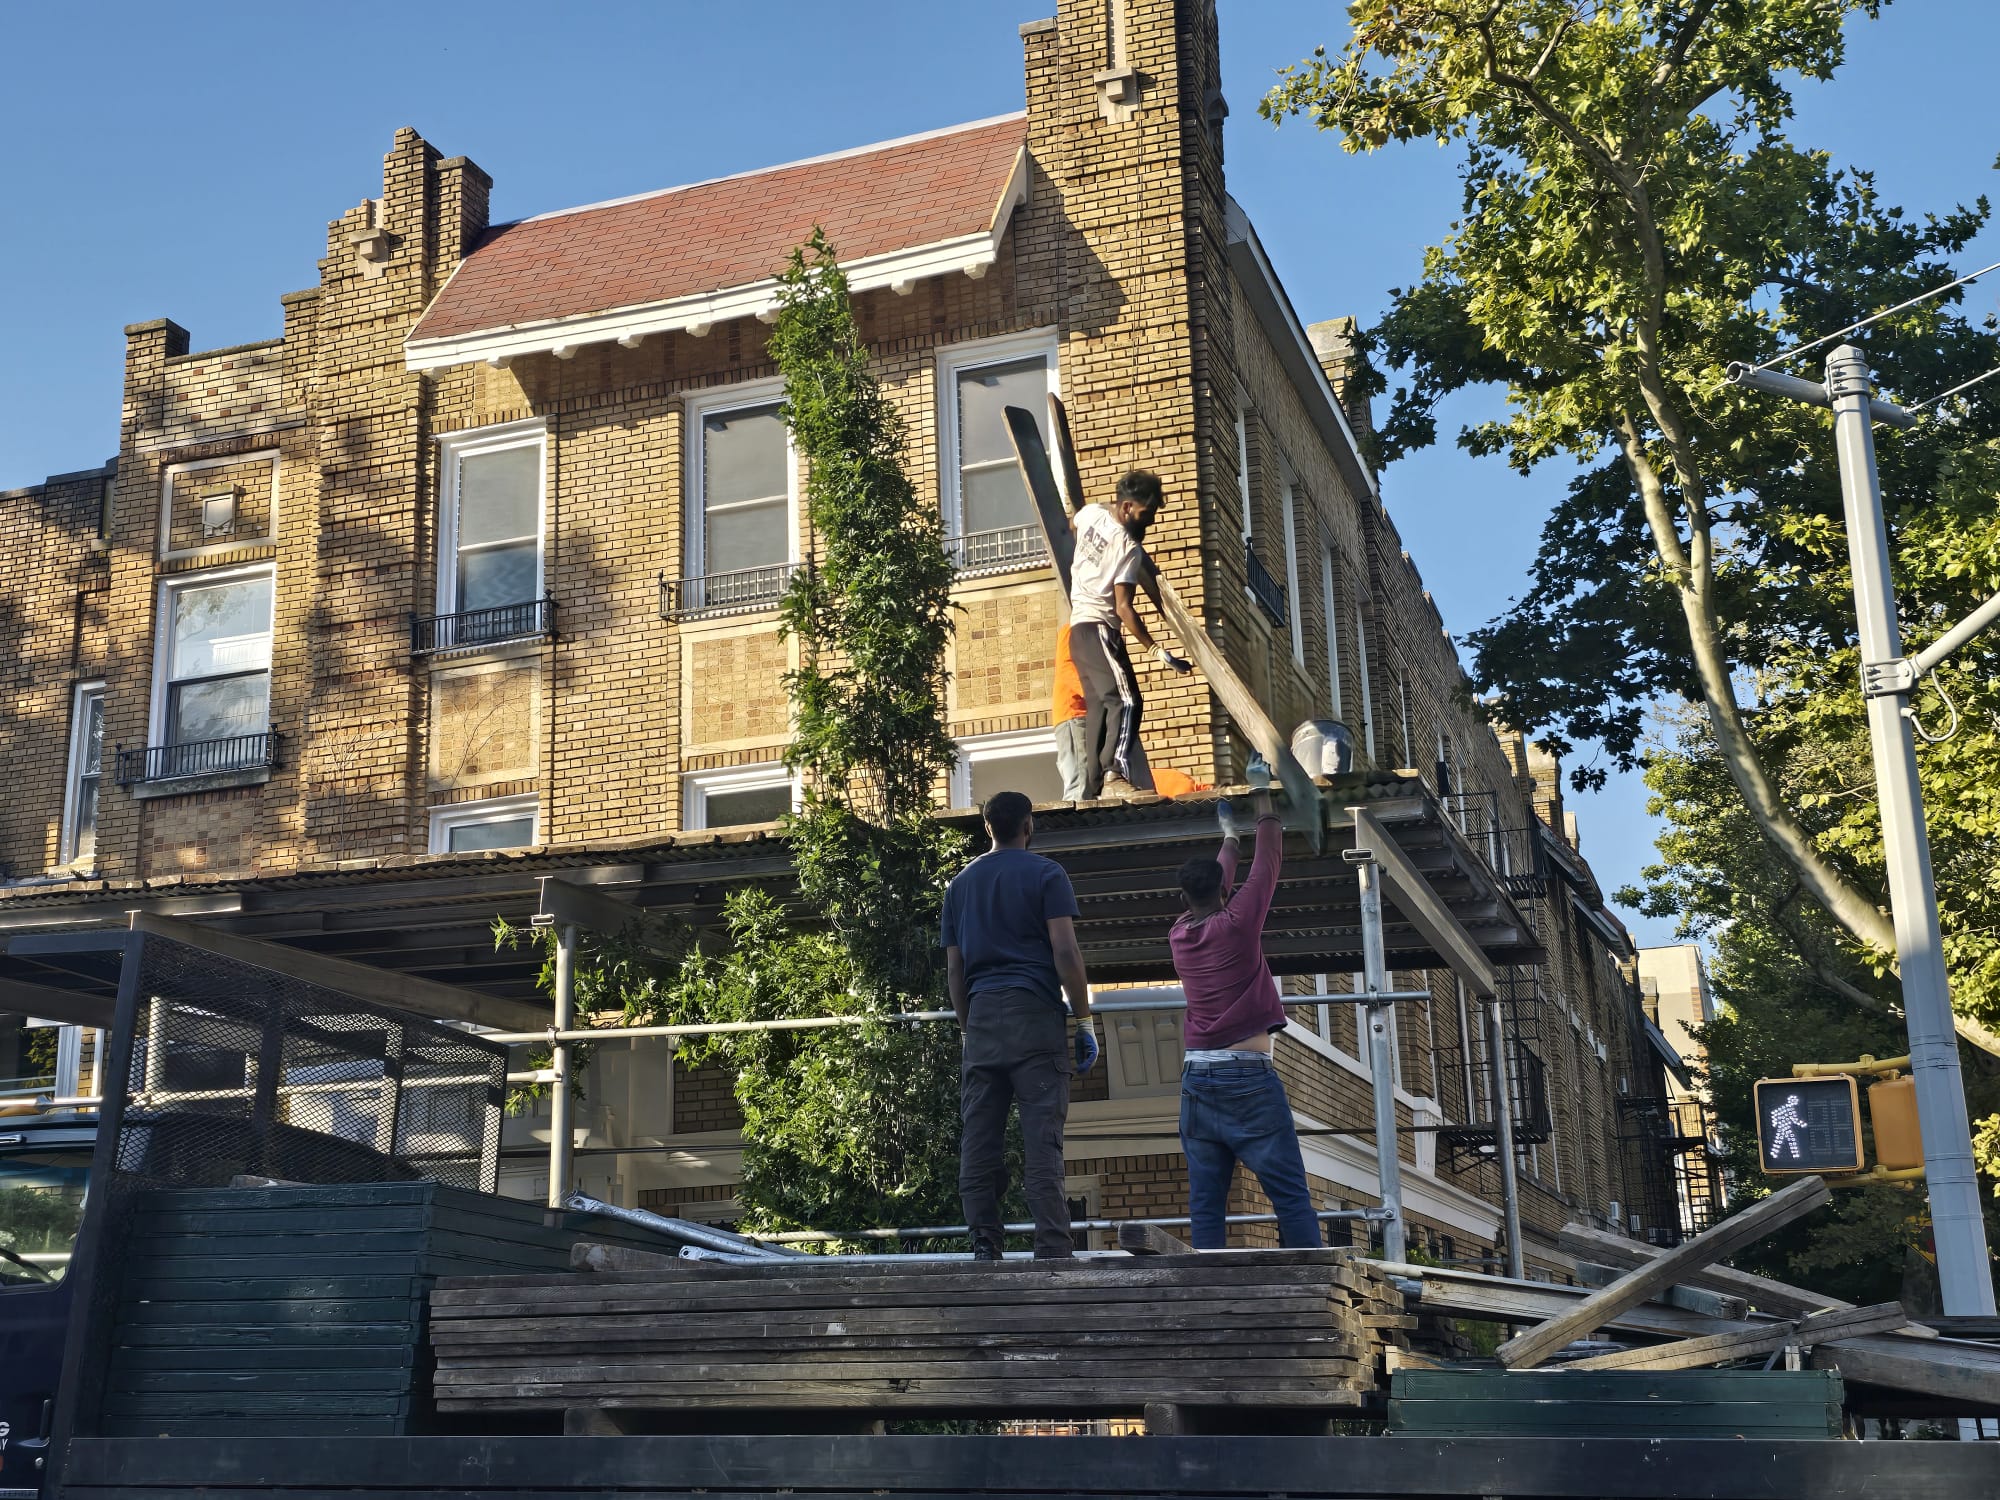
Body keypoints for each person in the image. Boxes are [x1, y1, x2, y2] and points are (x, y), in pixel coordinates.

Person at [1167, 771, 1323, 1249]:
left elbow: (1218, 888)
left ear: (1182, 899)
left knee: (1206, 1201)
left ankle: (1207, 1293)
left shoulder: (1179, 934)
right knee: (1290, 1195)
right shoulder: (1237, 925)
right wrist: (1262, 797)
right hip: (1248, 1079)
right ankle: (1310, 1285)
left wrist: (1230, 841)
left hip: (1197, 1078)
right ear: (1225, 894)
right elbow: (1269, 863)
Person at [942, 790, 1098, 1260]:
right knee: (1041, 1140)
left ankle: (985, 1245)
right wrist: (1084, 1019)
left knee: (980, 1139)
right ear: (1028, 826)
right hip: (1035, 1016)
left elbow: (954, 969)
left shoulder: (959, 886)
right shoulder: (1048, 874)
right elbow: (1066, 952)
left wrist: (970, 1030)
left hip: (983, 1017)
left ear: (987, 828)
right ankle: (1052, 1246)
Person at [1068, 470, 1191, 799]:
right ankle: (1115, 773)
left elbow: (1073, 523)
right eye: (1145, 514)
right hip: (1100, 627)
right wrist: (1157, 652)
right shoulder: (1128, 548)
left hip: (1078, 630)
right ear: (1125, 507)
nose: (1148, 522)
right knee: (1126, 700)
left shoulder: (1093, 512)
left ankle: (1093, 787)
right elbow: (1124, 608)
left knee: (1099, 707)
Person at [1053, 623, 1156, 798]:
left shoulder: (1104, 631)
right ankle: (1075, 824)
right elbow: (1068, 671)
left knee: (1135, 778)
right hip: (1078, 715)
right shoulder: (1074, 629)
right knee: (1082, 786)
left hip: (1108, 714)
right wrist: (1105, 700)